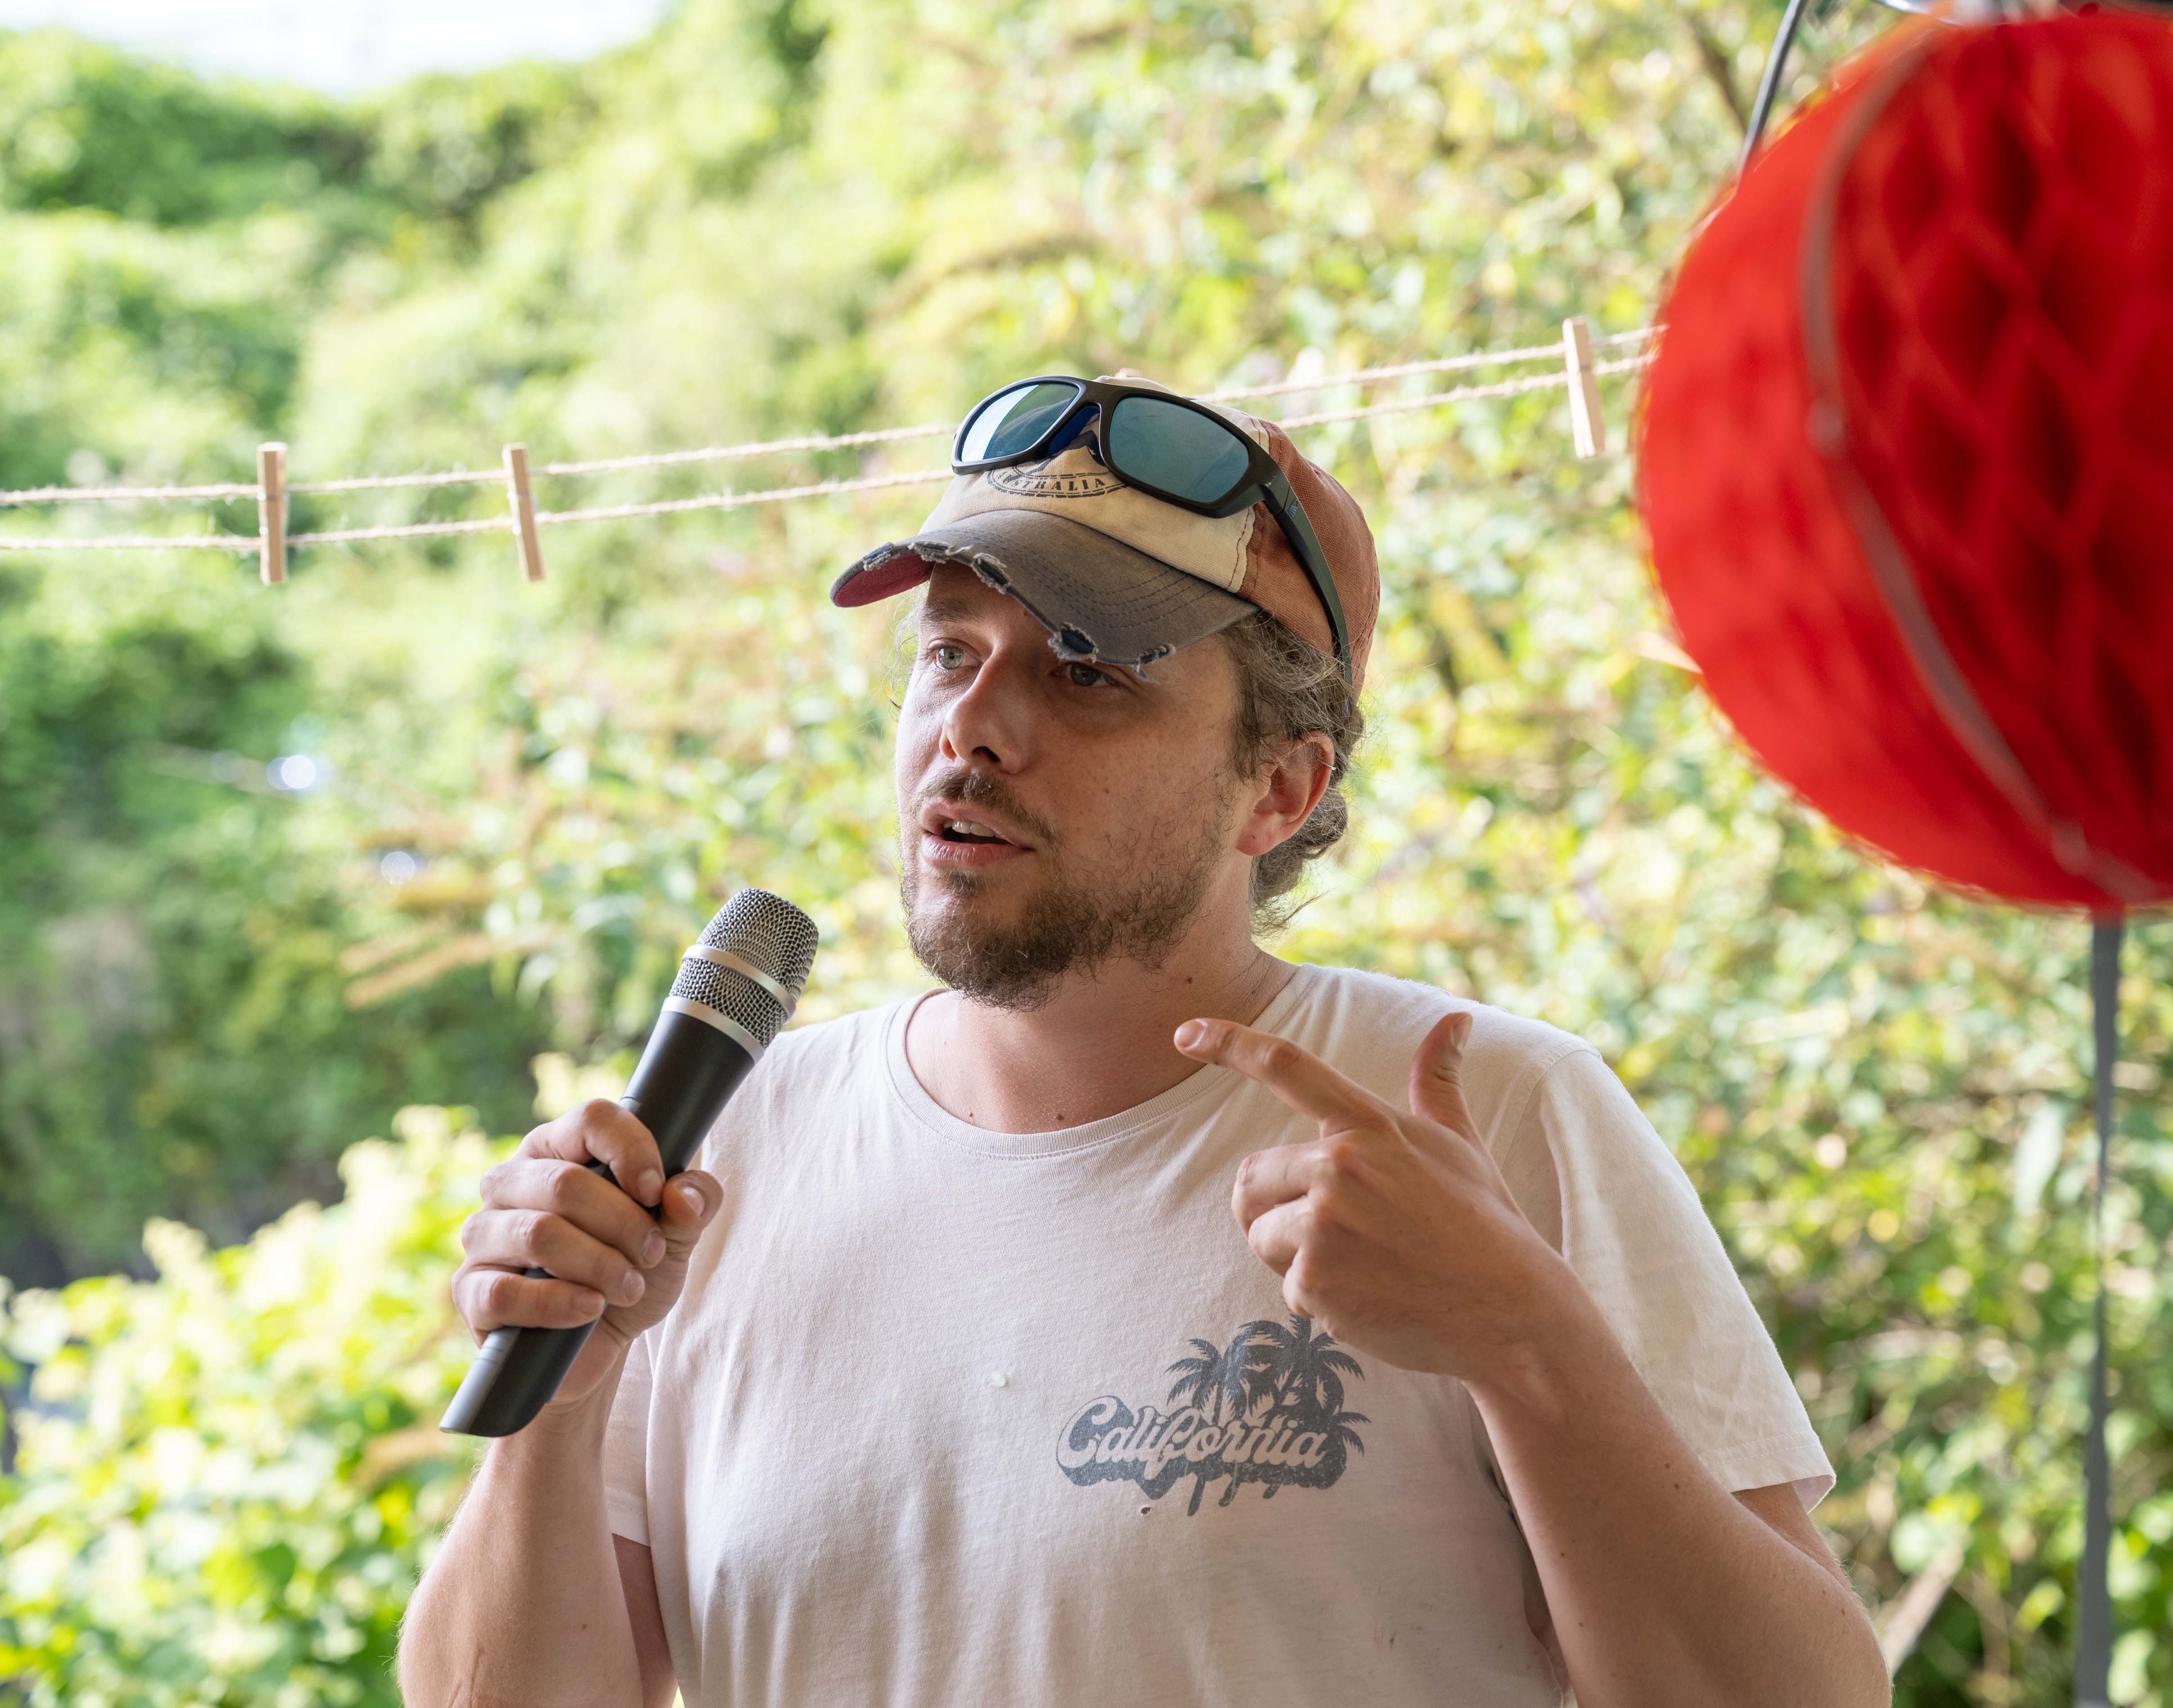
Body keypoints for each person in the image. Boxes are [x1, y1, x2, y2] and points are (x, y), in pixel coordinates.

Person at [398, 376, 1891, 1708]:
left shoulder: (1481, 1111)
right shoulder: (723, 1151)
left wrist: (1529, 1342)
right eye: (947, 653)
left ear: (1280, 788)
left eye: (1085, 671)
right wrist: (564, 1397)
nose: (971, 726)